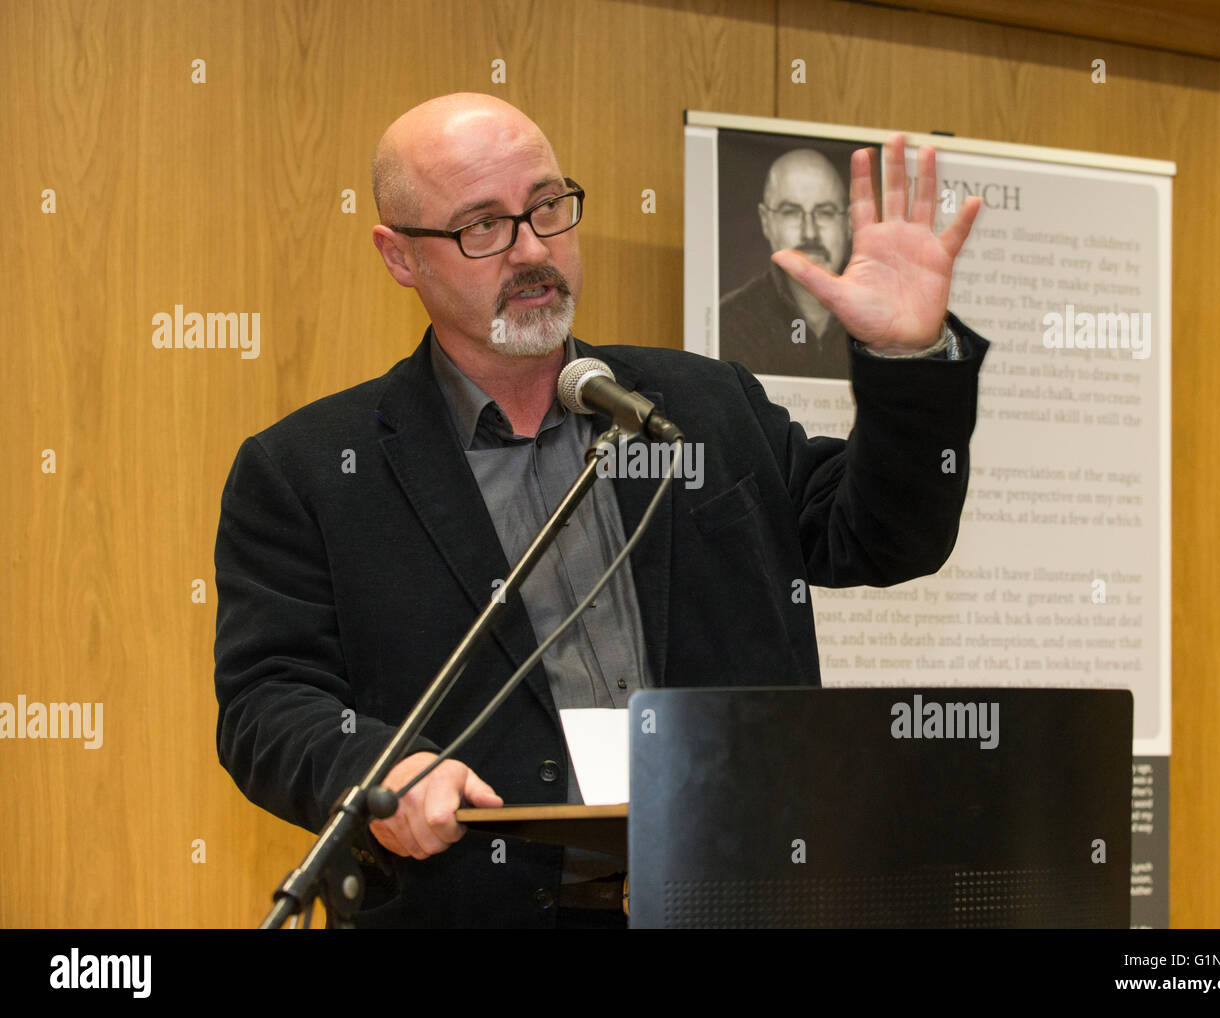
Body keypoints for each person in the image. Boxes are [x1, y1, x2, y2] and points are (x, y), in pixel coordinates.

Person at [213, 93, 988, 928]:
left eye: (548, 206)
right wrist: (378, 768)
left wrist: (908, 359)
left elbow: (885, 539)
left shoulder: (704, 404)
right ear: (400, 256)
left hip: (737, 897)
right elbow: (267, 700)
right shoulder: (310, 472)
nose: (532, 249)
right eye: (483, 225)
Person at [719, 147, 856, 378]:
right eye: (791, 212)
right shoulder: (728, 322)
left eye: (825, 213)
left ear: (848, 223)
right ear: (766, 222)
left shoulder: (881, 320)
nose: (809, 232)